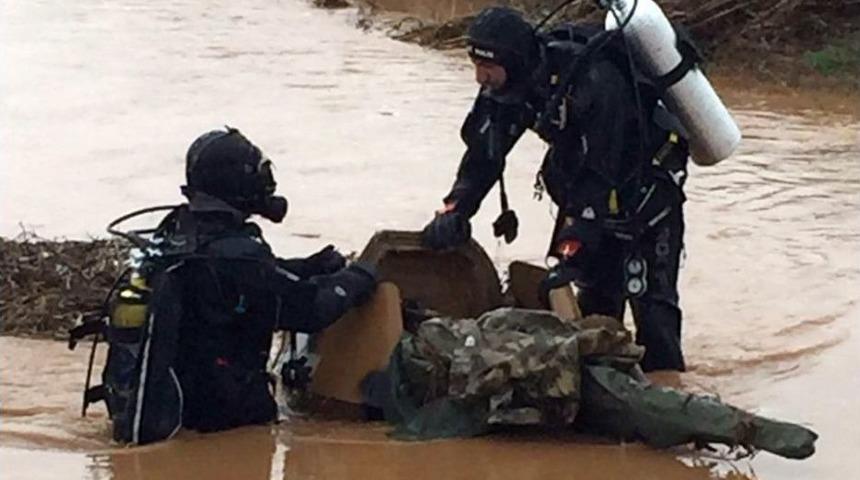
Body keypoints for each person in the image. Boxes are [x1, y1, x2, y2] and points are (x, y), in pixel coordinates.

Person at [421, 6, 691, 372]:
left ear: (513, 61)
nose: (479, 78)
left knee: (655, 319)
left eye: (486, 67)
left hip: (647, 200)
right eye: (475, 65)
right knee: (595, 312)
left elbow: (601, 170)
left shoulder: (593, 81)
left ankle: (670, 402)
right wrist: (457, 208)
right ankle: (607, 405)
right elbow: (484, 156)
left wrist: (574, 244)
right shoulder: (505, 88)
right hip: (585, 194)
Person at [77, 127, 378, 444]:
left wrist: (307, 267)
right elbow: (309, 309)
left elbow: (249, 281)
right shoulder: (237, 257)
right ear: (237, 183)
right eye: (259, 174)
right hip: (216, 424)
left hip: (172, 412)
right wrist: (361, 276)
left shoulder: (181, 232)